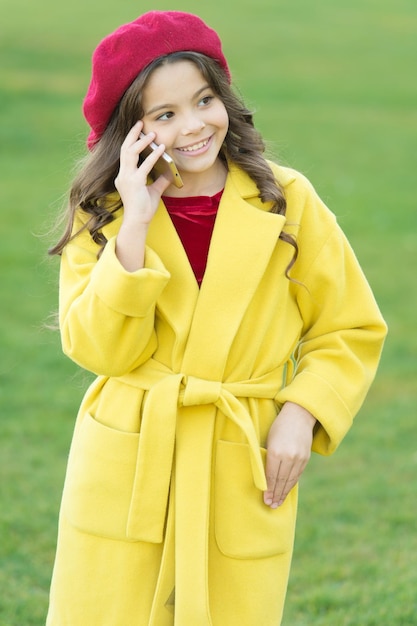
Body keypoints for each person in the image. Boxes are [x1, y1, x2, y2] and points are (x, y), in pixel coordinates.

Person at [46, 10, 387, 626]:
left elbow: (349, 326)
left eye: (204, 100)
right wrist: (137, 227)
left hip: (241, 453)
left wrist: (301, 411)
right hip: (128, 458)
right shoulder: (105, 214)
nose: (195, 126)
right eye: (165, 115)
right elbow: (102, 352)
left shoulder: (288, 200)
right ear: (131, 131)